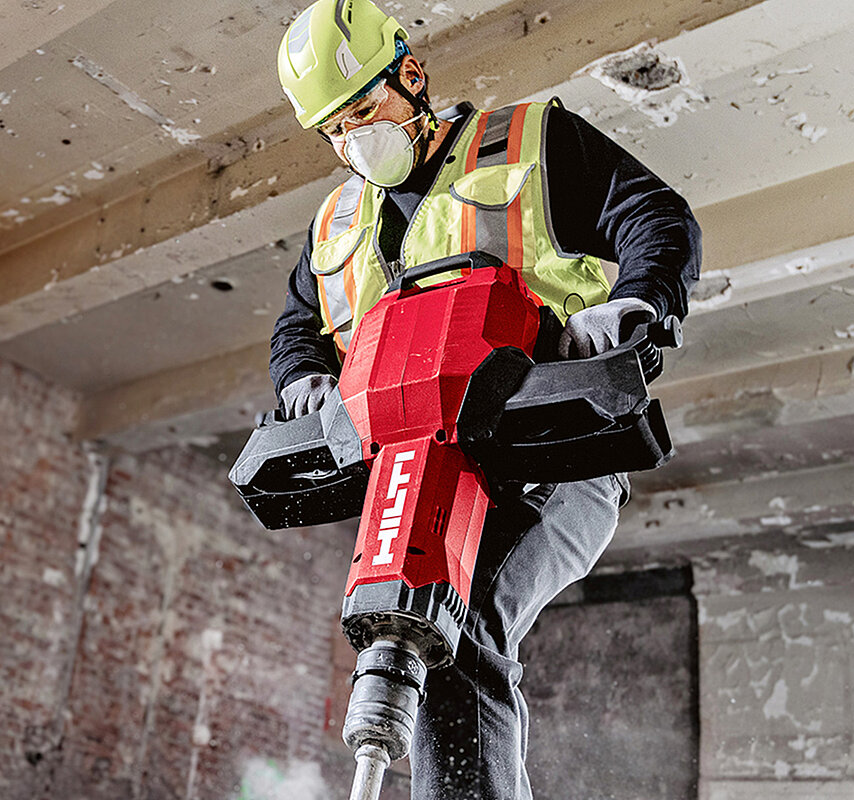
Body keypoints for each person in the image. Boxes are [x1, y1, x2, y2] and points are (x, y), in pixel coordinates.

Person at [269, 1, 701, 798]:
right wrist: (303, 378)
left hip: (554, 449)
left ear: (411, 74)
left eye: (363, 110)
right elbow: (299, 327)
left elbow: (654, 218)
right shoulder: (336, 222)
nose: (352, 139)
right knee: (402, 625)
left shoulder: (528, 143)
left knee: (459, 625)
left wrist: (633, 303)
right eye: (332, 129)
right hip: (424, 471)